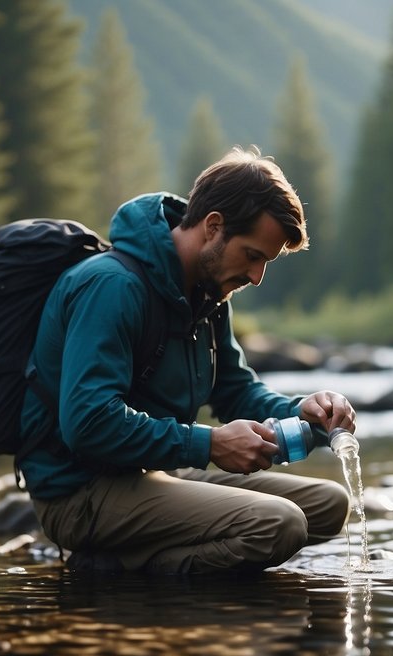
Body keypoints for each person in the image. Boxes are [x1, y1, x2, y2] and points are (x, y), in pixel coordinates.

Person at [18, 147, 355, 575]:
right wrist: (210, 444)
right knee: (279, 524)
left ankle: (139, 558)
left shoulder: (208, 295)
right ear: (213, 227)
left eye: (265, 263)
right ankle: (115, 567)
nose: (256, 277)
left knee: (328, 505)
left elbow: (235, 390)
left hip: (147, 473)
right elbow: (88, 422)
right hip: (79, 493)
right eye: (253, 256)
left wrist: (303, 412)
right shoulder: (111, 287)